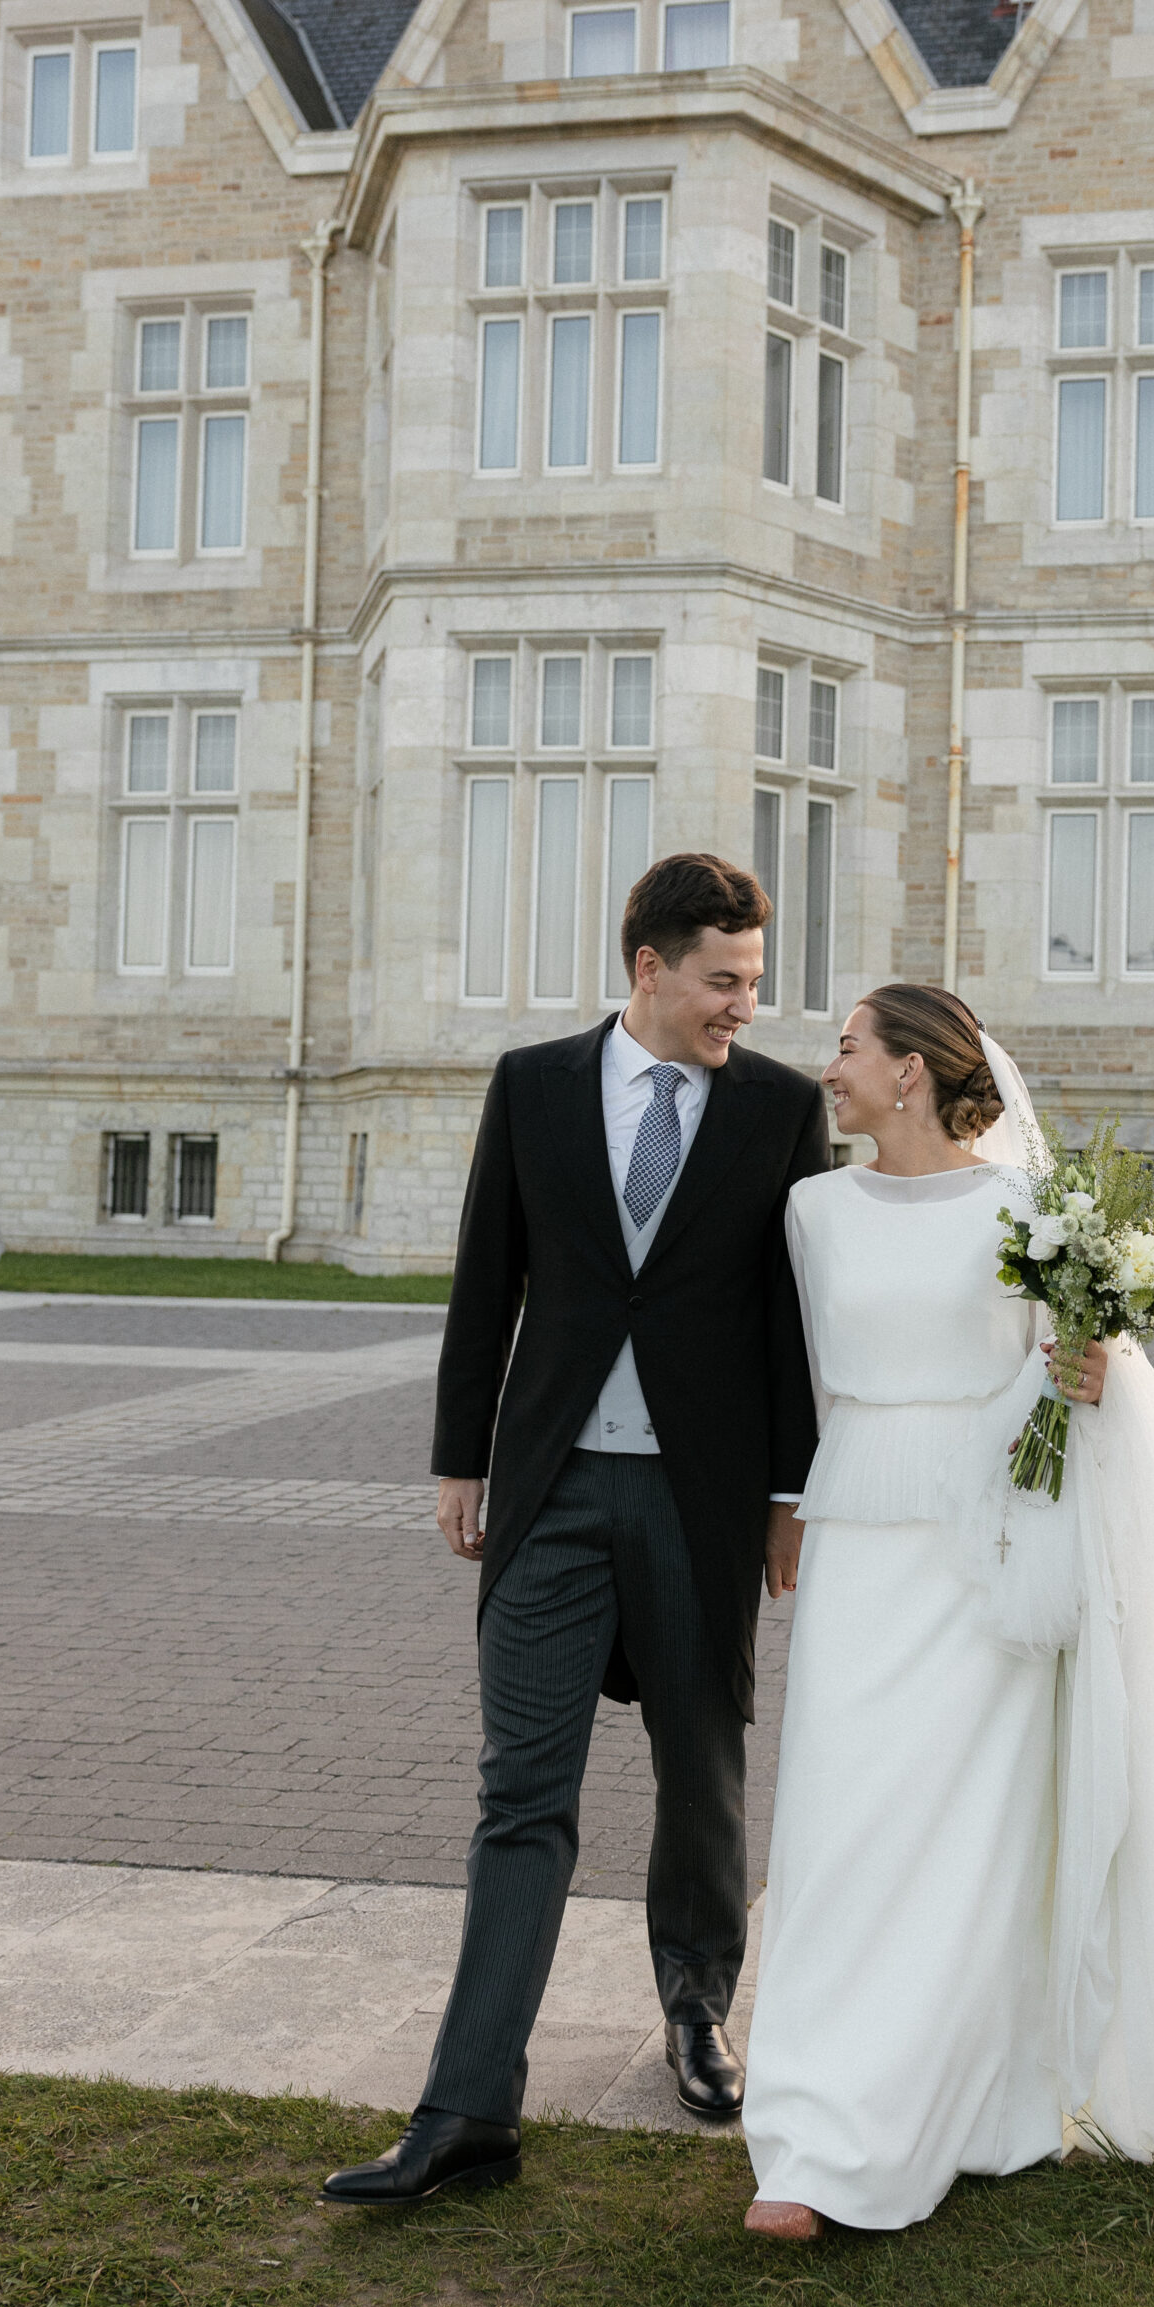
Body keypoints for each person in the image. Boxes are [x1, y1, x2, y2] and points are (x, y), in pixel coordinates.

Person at [741, 984, 1154, 2239]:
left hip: (988, 1553)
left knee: (970, 1836)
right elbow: (799, 1385)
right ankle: (812, 2128)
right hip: (862, 1543)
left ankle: (970, 2100)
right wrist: (782, 1509)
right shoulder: (811, 1210)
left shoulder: (1028, 1213)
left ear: (910, 1070)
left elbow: (1070, 1393)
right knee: (840, 1821)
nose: (829, 1067)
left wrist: (1091, 1367)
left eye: (847, 1046)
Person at [323, 853, 829, 2206]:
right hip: (548, 1496)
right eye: (721, 982)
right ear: (647, 969)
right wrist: (456, 1457)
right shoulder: (532, 1085)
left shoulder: (777, 1109)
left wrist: (788, 1497)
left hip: (699, 1499)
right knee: (518, 1799)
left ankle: (695, 2013)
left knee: (699, 1771)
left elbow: (791, 1322)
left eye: (754, 984)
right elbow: (487, 1274)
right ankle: (467, 2105)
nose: (741, 1007)